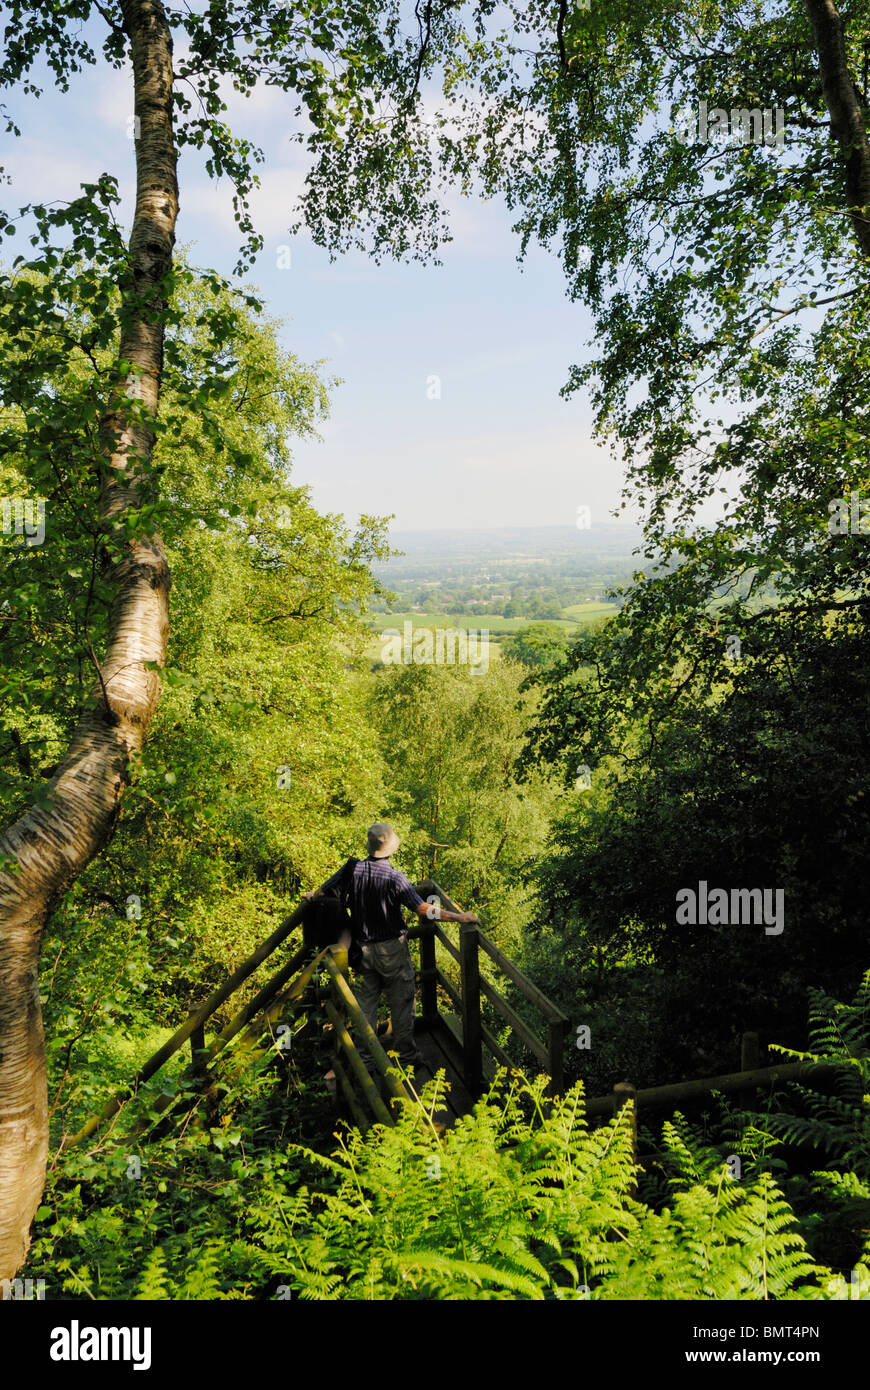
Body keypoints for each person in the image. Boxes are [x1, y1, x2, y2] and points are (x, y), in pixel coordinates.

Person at [303, 822, 479, 1072]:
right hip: (392, 950)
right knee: (402, 1004)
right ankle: (406, 1058)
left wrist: (312, 895)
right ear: (390, 848)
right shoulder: (396, 878)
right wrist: (461, 917)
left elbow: (325, 889)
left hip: (362, 950)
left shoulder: (353, 868)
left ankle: (365, 1061)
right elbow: (423, 910)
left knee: (365, 1008)